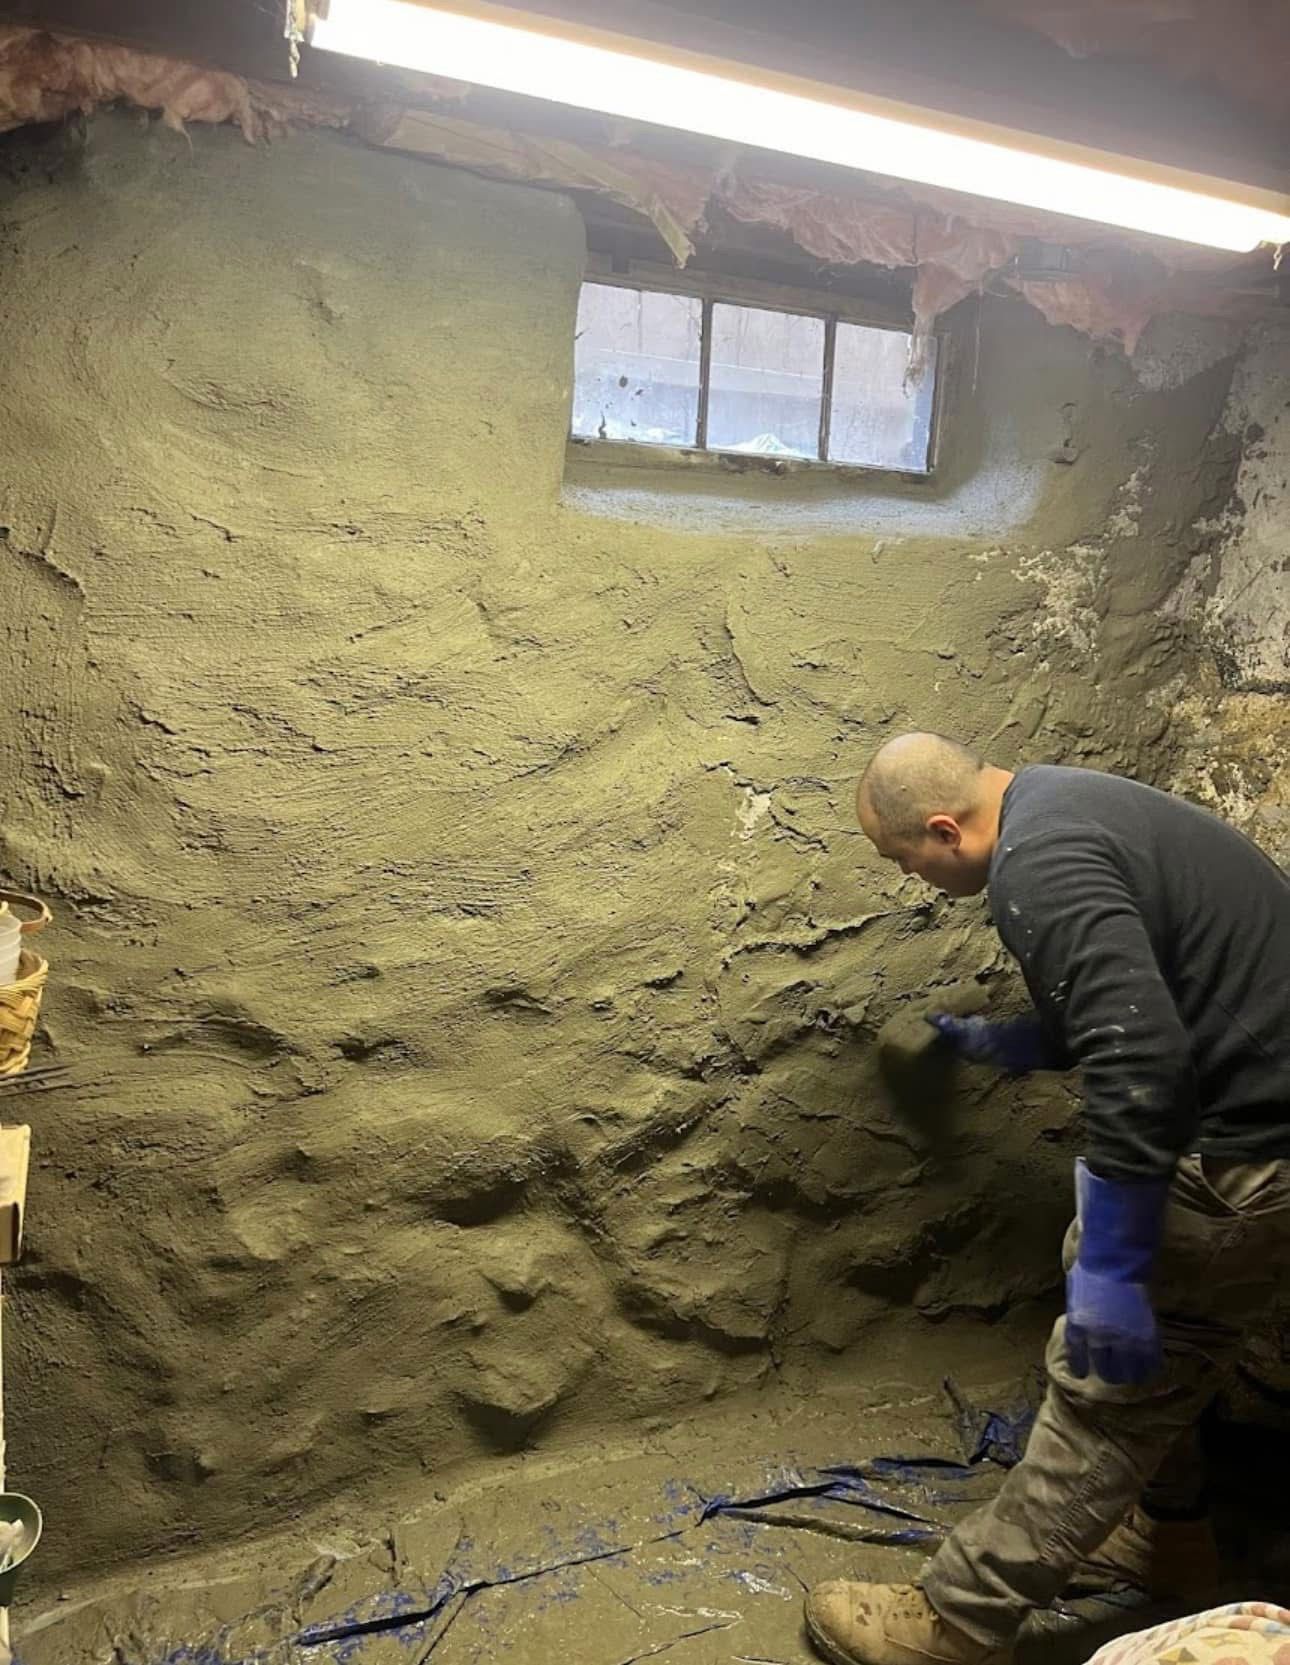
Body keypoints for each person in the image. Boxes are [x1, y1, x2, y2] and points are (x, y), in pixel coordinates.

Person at [805, 734, 1290, 1665]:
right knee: (1165, 1357)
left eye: (904, 859)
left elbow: (1141, 1060)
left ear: (945, 830)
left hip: (1252, 1144)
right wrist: (1006, 1042)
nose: (909, 877)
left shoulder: (1036, 867)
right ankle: (1168, 1534)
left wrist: (1115, 1261)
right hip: (1263, 1109)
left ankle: (955, 1620)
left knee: (1111, 1383)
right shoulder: (1064, 803)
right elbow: (1145, 988)